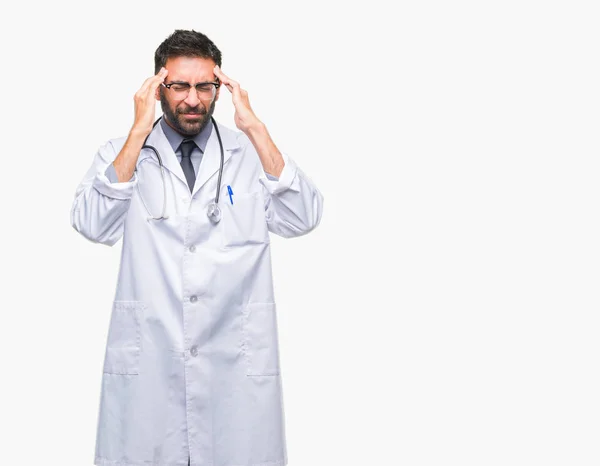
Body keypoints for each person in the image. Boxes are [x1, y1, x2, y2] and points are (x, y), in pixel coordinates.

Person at [70, 29, 323, 466]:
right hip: (150, 358)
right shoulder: (123, 153)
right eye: (179, 86)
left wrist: (257, 129)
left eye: (204, 86)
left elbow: (302, 217)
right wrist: (136, 130)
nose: (192, 99)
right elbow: (93, 223)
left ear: (219, 89)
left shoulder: (249, 152)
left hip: (234, 364)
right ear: (157, 87)